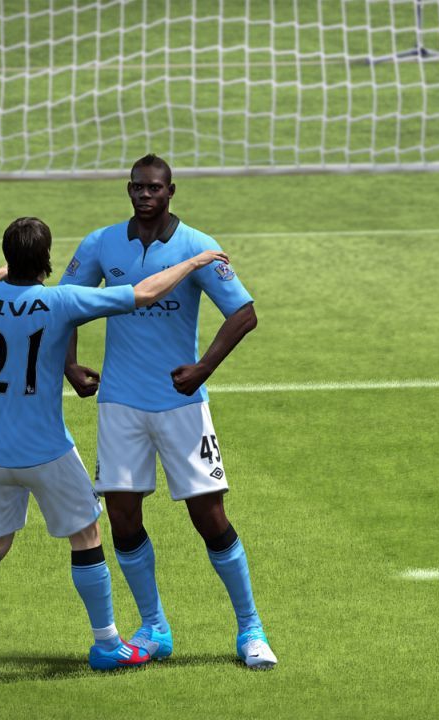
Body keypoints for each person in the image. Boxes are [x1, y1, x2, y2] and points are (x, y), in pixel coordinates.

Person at [0, 216, 228, 682]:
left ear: (8, 257)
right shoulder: (60, 301)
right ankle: (107, 644)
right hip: (46, 450)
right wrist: (193, 261)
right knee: (87, 535)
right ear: (47, 260)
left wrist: (3, 270)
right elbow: (143, 294)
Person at [60, 154, 276, 669]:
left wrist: (203, 368)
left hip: (181, 406)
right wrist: (68, 364)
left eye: (154, 188)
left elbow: (244, 313)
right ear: (128, 189)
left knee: (210, 517)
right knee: (122, 517)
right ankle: (154, 627)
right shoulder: (101, 244)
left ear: (171, 191)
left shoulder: (197, 246)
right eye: (138, 187)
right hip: (119, 403)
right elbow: (64, 303)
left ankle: (251, 629)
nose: (145, 195)